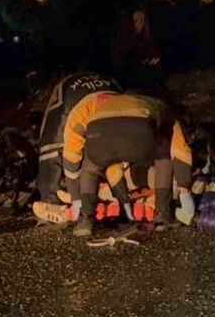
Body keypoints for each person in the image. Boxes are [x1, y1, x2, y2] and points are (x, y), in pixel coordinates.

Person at [60, 91, 192, 237]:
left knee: (90, 167)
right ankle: (162, 214)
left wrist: (75, 199)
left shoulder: (83, 110)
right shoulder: (161, 108)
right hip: (139, 135)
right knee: (163, 154)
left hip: (99, 134)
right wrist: (185, 191)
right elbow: (181, 151)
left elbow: (71, 156)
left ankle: (86, 219)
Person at [36, 72, 122, 204]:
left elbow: (50, 146)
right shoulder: (108, 79)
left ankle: (81, 195)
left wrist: (49, 196)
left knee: (64, 153)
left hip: (86, 118)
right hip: (122, 119)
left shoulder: (63, 89)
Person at [111, 7, 162, 92]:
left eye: (142, 20)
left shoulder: (147, 38)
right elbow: (121, 62)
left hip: (145, 80)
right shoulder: (124, 39)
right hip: (129, 80)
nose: (139, 23)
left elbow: (152, 54)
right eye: (136, 20)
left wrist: (153, 60)